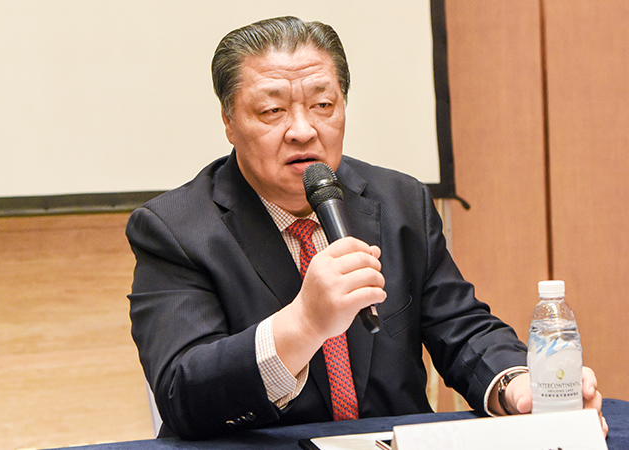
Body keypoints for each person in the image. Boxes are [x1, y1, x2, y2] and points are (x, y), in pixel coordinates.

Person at [126, 16, 606, 440]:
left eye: (323, 105)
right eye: (272, 111)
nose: (302, 130)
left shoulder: (399, 200)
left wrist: (518, 386)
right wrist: (304, 324)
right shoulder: (175, 229)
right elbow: (182, 391)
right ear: (229, 121)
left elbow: (462, 330)